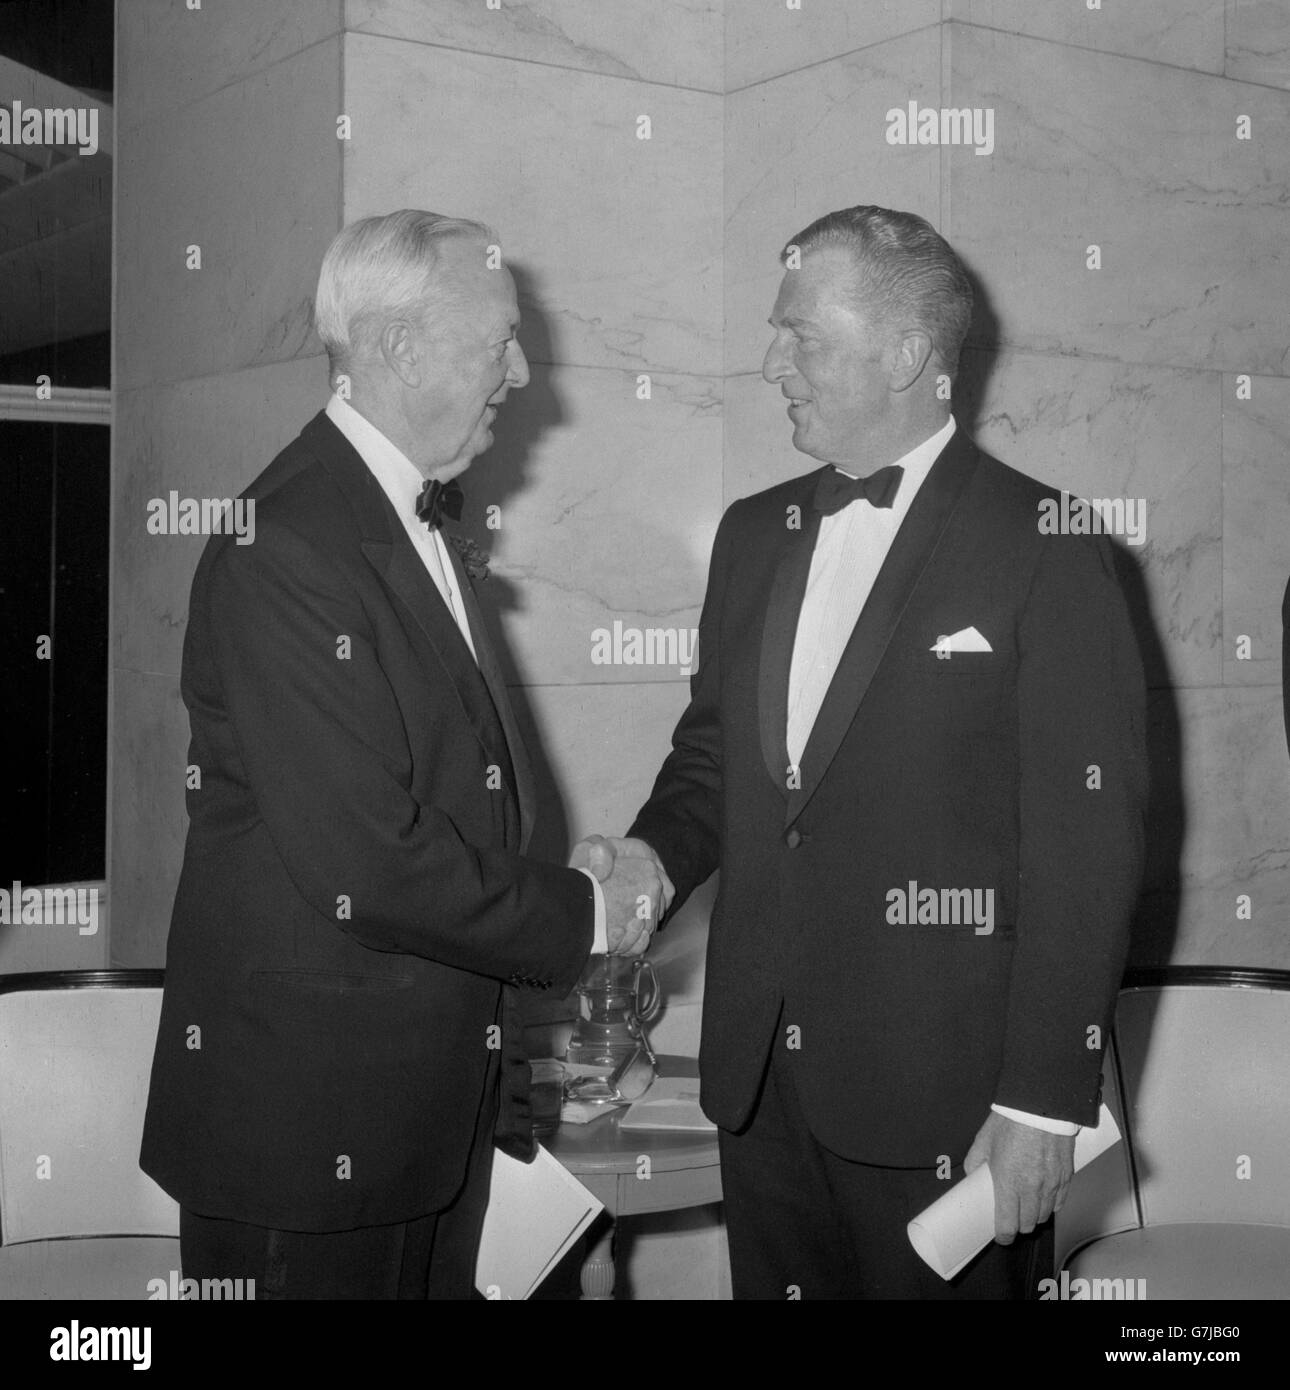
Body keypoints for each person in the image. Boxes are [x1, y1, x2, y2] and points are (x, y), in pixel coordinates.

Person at [583, 205, 1149, 1299]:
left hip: (955, 1109)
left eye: (801, 335)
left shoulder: (1052, 547)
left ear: (906, 355)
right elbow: (713, 759)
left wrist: (1042, 1104)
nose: (770, 363)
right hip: (760, 1089)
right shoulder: (752, 536)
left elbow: (1088, 850)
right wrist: (652, 857)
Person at [140, 210, 662, 1299]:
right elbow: (368, 863)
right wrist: (586, 915)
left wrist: (521, 1053)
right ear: (397, 347)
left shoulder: (397, 516)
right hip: (307, 1140)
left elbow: (468, 795)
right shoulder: (286, 542)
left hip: (431, 1121)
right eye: (500, 341)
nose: (522, 372)